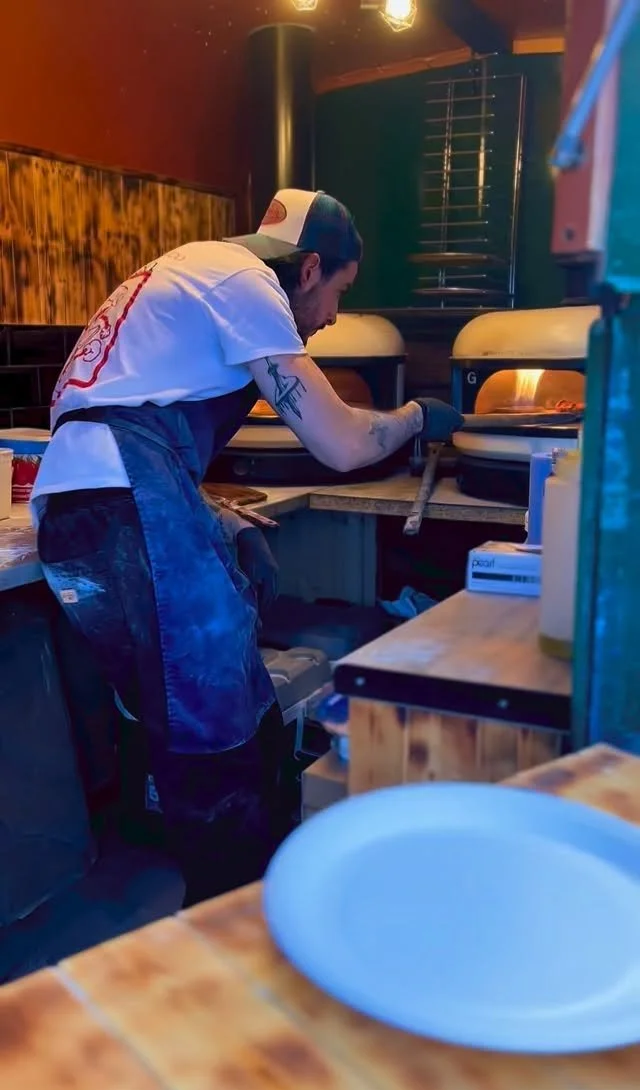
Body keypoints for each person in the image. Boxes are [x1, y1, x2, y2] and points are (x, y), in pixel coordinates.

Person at [31, 187, 463, 905]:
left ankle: (242, 895)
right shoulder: (246, 281)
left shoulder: (183, 270)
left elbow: (121, 429)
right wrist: (417, 415)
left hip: (85, 515)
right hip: (128, 511)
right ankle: (236, 921)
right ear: (309, 267)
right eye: (339, 292)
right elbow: (342, 444)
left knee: (197, 715)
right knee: (212, 733)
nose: (333, 317)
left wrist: (218, 521)